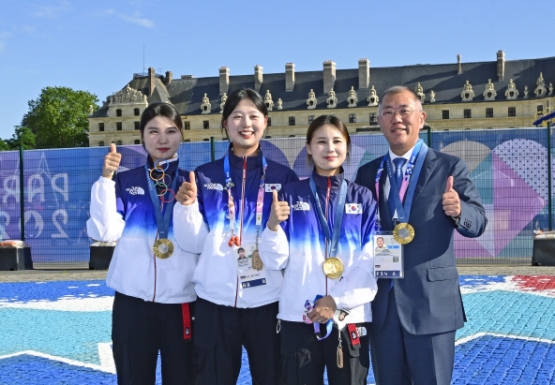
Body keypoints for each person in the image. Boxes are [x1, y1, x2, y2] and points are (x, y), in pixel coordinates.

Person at [355, 86, 487, 385]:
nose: (396, 119)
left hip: (431, 305)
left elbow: (478, 221)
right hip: (383, 306)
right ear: (379, 121)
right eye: (388, 112)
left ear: (422, 118)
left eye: (404, 111)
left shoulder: (449, 167)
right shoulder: (367, 174)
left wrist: (459, 210)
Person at [173, 88, 299, 385]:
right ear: (225, 123)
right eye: (237, 116)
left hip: (268, 303)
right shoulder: (203, 176)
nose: (246, 123)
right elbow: (191, 243)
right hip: (214, 303)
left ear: (265, 122)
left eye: (253, 116)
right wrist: (187, 208)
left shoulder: (284, 178)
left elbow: (289, 247)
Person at [260, 115, 378, 385]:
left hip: (348, 318)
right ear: (309, 148)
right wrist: (273, 226)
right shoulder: (290, 195)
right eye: (321, 141)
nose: (330, 148)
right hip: (299, 317)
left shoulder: (363, 198)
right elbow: (275, 261)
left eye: (337, 141)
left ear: (347, 146)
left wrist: (335, 300)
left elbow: (370, 260)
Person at [86, 103, 197, 384]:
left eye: (171, 131)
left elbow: (199, 242)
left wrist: (189, 206)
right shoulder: (125, 181)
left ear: (182, 135)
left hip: (181, 303)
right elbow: (104, 231)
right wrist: (105, 180)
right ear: (142, 136)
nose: (162, 139)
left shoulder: (192, 184)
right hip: (132, 305)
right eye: (154, 131)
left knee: (182, 378)